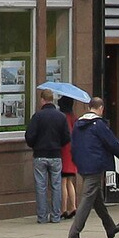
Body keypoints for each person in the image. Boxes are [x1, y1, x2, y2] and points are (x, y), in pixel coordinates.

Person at [65, 96, 119, 238]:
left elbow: (73, 145)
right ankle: (74, 232)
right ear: (101, 109)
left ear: (89, 108)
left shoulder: (77, 124)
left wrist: (76, 161)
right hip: (96, 165)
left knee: (96, 198)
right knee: (88, 197)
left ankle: (110, 227)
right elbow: (112, 144)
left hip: (82, 165)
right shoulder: (99, 125)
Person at [23, 90, 73, 224]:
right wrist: (58, 144)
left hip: (40, 155)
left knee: (41, 186)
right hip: (56, 155)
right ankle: (56, 216)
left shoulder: (37, 116)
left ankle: (42, 217)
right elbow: (67, 137)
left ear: (42, 100)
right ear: (52, 100)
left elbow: (29, 136)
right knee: (56, 186)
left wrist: (35, 145)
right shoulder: (61, 117)